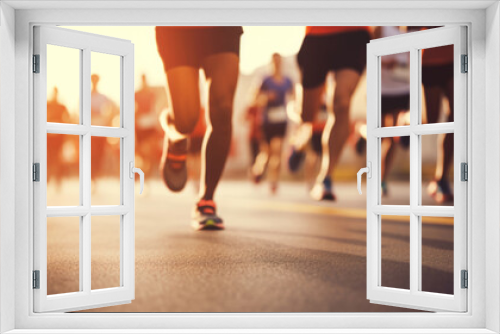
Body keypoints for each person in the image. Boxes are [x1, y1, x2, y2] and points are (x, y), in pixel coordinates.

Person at [155, 26, 243, 230]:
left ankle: (206, 199)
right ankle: (175, 136)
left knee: (223, 107)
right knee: (186, 122)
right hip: (178, 26)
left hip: (221, 22)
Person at [289, 26, 371, 201]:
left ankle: (326, 177)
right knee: (307, 116)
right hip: (318, 33)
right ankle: (298, 142)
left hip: (354, 32)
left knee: (341, 102)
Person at [374, 26, 411, 196]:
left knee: (392, 138)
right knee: (380, 137)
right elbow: (370, 54)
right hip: (381, 89)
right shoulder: (382, 27)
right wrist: (386, 63)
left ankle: (382, 180)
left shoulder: (412, 27)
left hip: (403, 88)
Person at [251, 53, 294, 194]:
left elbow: (294, 99)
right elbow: (255, 99)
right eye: (274, 61)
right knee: (267, 153)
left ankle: (273, 181)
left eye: (279, 61)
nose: (277, 64)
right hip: (267, 121)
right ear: (271, 63)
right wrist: (266, 97)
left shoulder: (288, 81)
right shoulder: (265, 80)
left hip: (281, 120)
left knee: (278, 151)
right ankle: (258, 170)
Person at [421, 28, 455, 204]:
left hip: (456, 56)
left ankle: (441, 178)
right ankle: (404, 119)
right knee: (430, 121)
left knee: (457, 117)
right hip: (430, 60)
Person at [90, 74, 119, 186]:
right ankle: (91, 176)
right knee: (91, 153)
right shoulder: (86, 96)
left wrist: (108, 120)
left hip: (101, 128)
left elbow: (113, 108)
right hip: (90, 129)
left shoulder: (103, 97)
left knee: (100, 153)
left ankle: (95, 174)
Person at [47, 87, 70, 189]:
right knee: (48, 158)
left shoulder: (62, 107)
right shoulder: (47, 105)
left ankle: (57, 180)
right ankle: (47, 179)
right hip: (48, 136)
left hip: (58, 136)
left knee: (57, 158)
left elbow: (67, 119)